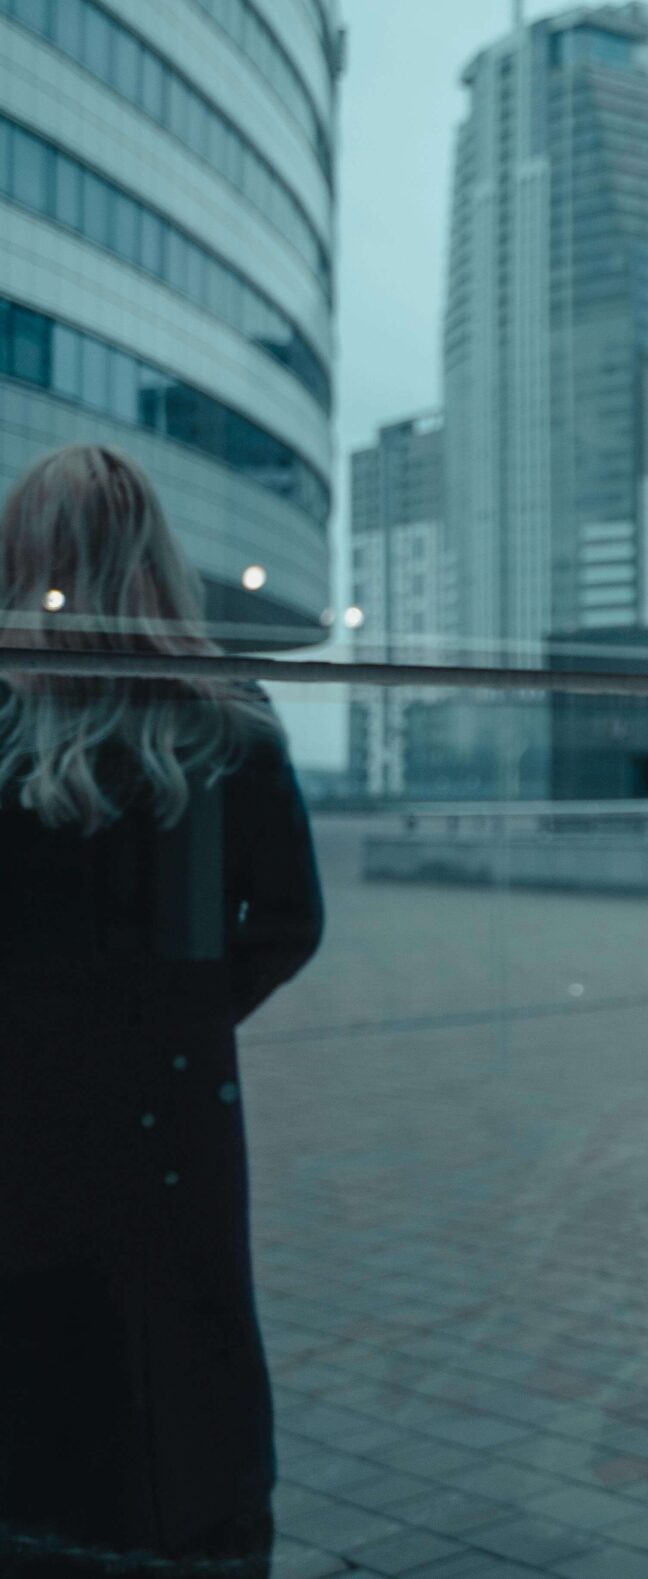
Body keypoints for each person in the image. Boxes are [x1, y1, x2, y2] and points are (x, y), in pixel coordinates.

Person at [0, 445, 324, 1576]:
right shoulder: (227, 718)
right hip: (169, 1117)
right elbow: (288, 922)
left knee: (34, 1379)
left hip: (19, 1117)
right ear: (159, 559)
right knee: (182, 1371)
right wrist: (177, 1024)